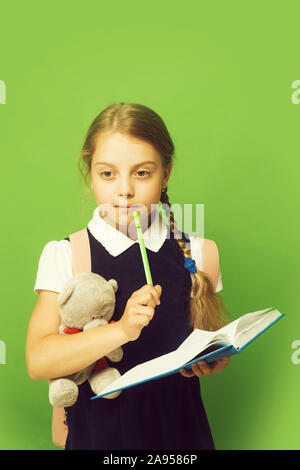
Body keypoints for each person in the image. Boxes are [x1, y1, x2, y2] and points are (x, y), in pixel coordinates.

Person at [26, 102, 231, 450]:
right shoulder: (68, 254)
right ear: (89, 174)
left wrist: (213, 359)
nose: (125, 191)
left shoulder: (198, 253)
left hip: (181, 435)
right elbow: (39, 360)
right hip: (99, 436)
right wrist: (120, 330)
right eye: (108, 174)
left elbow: (204, 340)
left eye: (142, 173)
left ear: (165, 174)